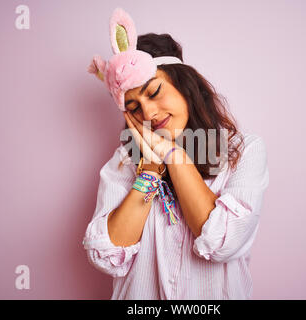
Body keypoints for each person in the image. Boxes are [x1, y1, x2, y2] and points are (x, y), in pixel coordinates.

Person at [83, 8, 269, 299]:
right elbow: (106, 254)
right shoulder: (122, 163)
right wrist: (150, 171)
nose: (149, 112)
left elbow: (224, 241)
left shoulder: (242, 151)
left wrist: (174, 155)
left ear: (184, 84)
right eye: (133, 108)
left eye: (154, 92)